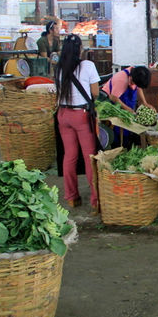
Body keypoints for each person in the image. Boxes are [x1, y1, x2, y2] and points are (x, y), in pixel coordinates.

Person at [55, 35, 101, 212]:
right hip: (80, 115)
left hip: (63, 114)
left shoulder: (59, 68)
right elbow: (95, 93)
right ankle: (95, 200)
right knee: (90, 157)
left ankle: (72, 197)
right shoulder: (87, 66)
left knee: (70, 156)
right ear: (79, 49)